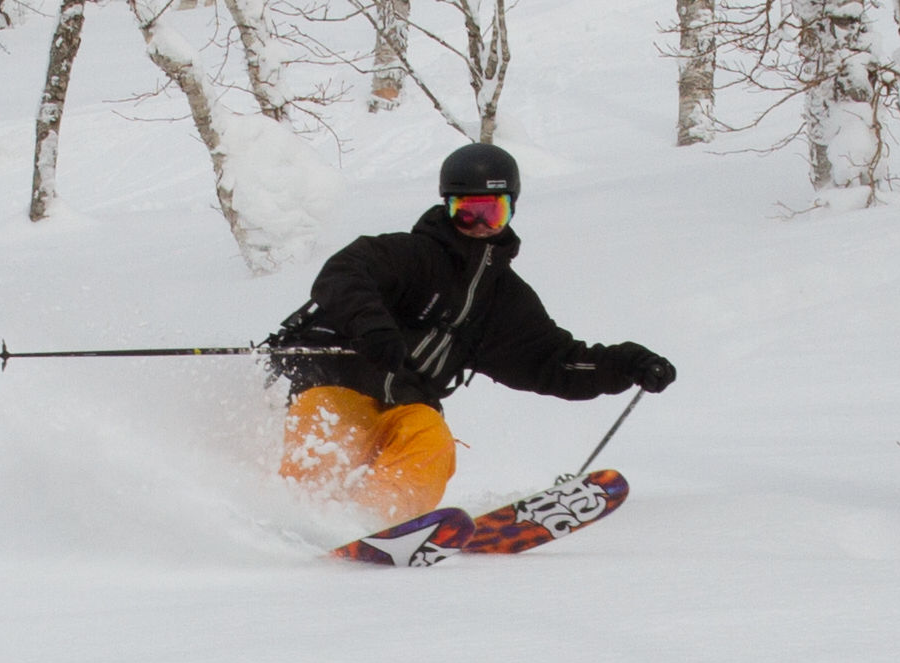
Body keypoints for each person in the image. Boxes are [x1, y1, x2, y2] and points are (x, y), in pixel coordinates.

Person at [264, 143, 676, 519]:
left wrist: (627, 364)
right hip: (333, 385)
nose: (480, 224)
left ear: (511, 209)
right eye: (467, 211)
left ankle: (374, 519)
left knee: (431, 440)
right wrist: (372, 327)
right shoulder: (411, 256)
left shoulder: (503, 300)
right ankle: (302, 515)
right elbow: (346, 272)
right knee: (331, 428)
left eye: (492, 212)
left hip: (406, 405)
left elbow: (552, 361)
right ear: (447, 207)